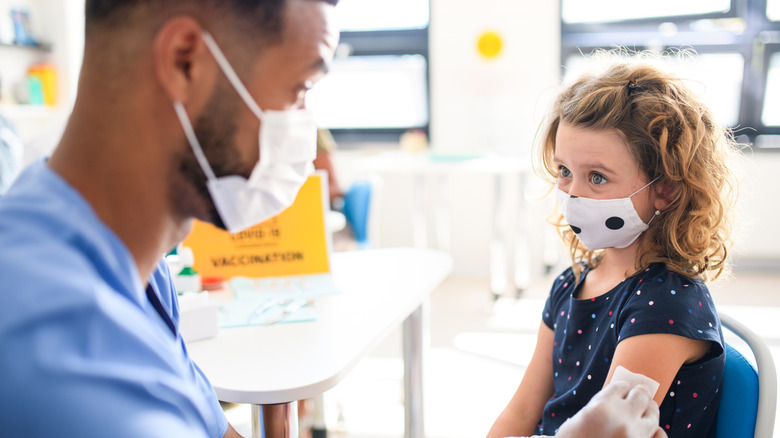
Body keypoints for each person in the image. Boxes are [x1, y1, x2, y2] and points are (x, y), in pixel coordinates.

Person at [0, 0, 339, 436]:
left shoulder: (132, 257)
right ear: (185, 62)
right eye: (299, 88)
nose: (303, 128)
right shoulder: (57, 354)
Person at [487, 59, 738, 438]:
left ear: (665, 189)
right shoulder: (570, 284)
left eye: (598, 177)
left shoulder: (666, 306)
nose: (572, 193)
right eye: (564, 171)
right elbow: (521, 414)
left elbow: (605, 433)